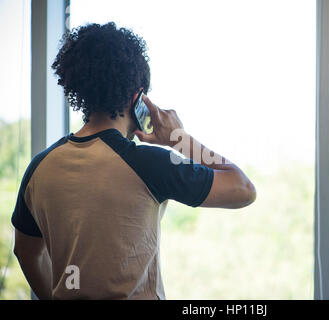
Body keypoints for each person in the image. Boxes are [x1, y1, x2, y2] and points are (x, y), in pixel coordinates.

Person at [11, 22, 256, 300]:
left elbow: (26, 251)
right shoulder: (149, 163)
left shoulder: (39, 169)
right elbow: (243, 188)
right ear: (137, 98)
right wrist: (180, 138)